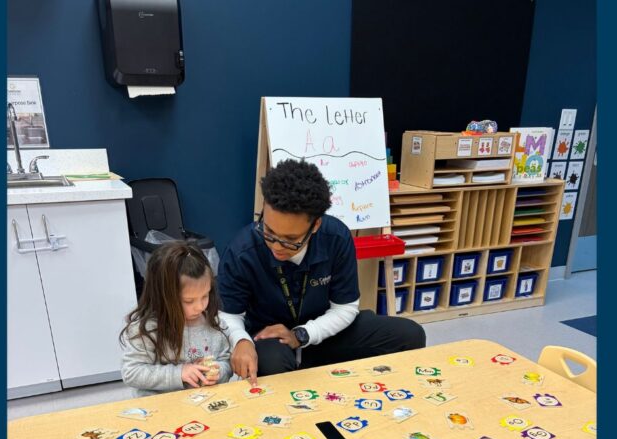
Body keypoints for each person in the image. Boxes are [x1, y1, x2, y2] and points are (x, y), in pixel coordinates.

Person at [218, 159, 426, 382]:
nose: (276, 246)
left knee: (410, 335)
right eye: (268, 231)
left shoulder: (336, 237)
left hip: (322, 332)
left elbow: (345, 308)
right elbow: (229, 314)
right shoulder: (242, 250)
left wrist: (302, 335)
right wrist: (241, 340)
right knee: (273, 365)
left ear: (315, 225)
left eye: (291, 240)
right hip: (269, 339)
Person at [119, 241, 233, 396]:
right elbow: (131, 372)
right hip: (160, 406)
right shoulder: (148, 329)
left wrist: (219, 372)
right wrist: (179, 373)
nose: (200, 307)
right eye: (189, 301)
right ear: (164, 297)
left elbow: (226, 360)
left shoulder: (214, 323)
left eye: (205, 296)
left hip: (202, 402)